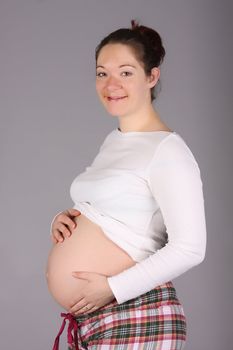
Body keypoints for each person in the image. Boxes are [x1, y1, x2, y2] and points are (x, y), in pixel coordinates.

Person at [49, 19, 207, 350]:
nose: (111, 83)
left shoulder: (167, 150)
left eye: (125, 72)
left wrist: (113, 289)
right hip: (99, 318)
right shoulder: (116, 139)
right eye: (102, 72)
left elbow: (190, 247)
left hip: (137, 313)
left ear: (151, 77)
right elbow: (117, 209)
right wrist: (68, 219)